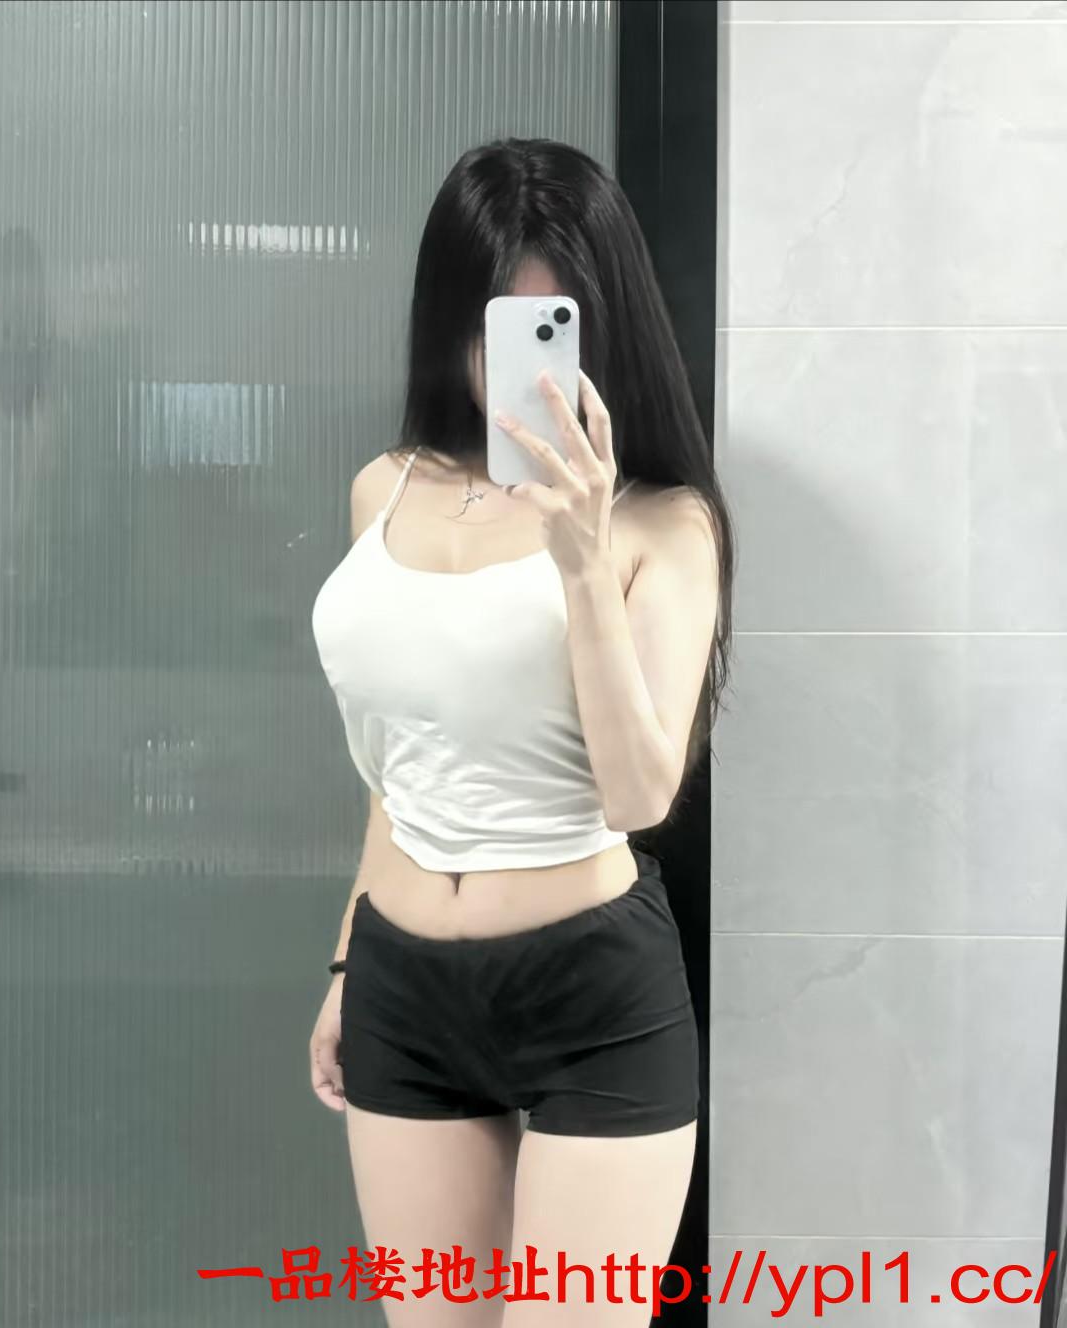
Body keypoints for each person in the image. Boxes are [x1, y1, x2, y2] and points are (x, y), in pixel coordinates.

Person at [309, 136, 734, 1326]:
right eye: (496, 326)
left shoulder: (664, 523)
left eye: (555, 329)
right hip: (402, 983)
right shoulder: (382, 488)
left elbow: (641, 795)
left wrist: (582, 557)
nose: (526, 372)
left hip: (588, 995)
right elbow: (401, 766)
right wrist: (346, 964)